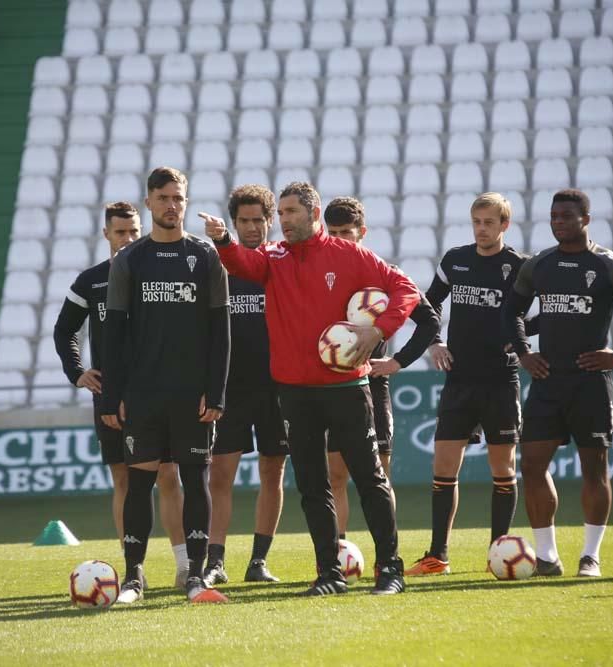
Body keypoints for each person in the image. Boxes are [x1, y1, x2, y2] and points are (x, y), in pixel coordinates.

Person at [203, 181, 419, 596]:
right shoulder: (273, 256)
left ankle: (390, 570)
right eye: (279, 214)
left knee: (370, 479)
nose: (281, 220)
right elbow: (242, 265)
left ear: (313, 212)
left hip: (346, 387)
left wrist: (377, 331)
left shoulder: (349, 254)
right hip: (294, 392)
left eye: (289, 213)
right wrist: (224, 240)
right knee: (312, 486)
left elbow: (405, 289)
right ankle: (329, 574)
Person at [503, 189, 613, 578]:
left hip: (591, 383)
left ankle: (590, 556)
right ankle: (546, 556)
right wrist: (525, 352)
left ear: (586, 219)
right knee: (530, 465)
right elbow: (511, 311)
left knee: (594, 469)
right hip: (547, 381)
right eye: (553, 216)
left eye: (566, 215)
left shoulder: (610, 265)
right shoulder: (538, 265)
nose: (558, 221)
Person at [101, 167, 230, 604]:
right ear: (149, 202)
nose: (171, 205)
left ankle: (196, 575)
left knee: (197, 481)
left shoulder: (206, 256)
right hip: (143, 395)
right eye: (163, 197)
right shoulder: (130, 259)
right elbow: (112, 335)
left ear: (186, 202)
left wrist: (216, 392)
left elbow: (220, 332)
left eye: (179, 198)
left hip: (191, 395)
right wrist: (112, 395)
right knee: (139, 484)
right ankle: (134, 577)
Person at [53, 201, 188, 587]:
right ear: (106, 235)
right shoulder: (91, 281)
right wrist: (77, 373)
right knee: (124, 479)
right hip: (112, 395)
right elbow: (64, 330)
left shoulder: (159, 272)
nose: (128, 239)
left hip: (159, 391)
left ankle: (183, 566)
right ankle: (135, 571)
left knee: (168, 475)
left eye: (133, 232)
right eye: (120, 233)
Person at [404, 193, 531, 576]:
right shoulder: (455, 259)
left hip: (500, 379)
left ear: (504, 226)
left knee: (502, 469)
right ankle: (437, 556)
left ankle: (499, 552)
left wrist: (520, 340)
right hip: (459, 379)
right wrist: (436, 342)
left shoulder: (519, 266)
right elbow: (428, 305)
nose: (481, 229)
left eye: (489, 222)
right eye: (476, 221)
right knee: (443, 468)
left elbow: (541, 316)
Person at [321, 196, 439, 540]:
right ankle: (338, 553)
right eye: (334, 232)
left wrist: (396, 362)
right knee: (336, 477)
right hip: (329, 387)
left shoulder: (381, 274)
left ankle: (386, 558)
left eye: (347, 232)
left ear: (362, 233)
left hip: (371, 389)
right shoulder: (320, 274)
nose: (341, 239)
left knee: (378, 477)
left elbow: (429, 321)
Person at [203, 185, 288, 587]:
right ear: (234, 223)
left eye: (259, 220)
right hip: (230, 388)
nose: (252, 228)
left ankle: (258, 561)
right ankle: (214, 561)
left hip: (278, 387)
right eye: (244, 221)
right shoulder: (218, 267)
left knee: (273, 471)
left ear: (270, 221)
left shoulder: (282, 265)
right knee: (220, 474)